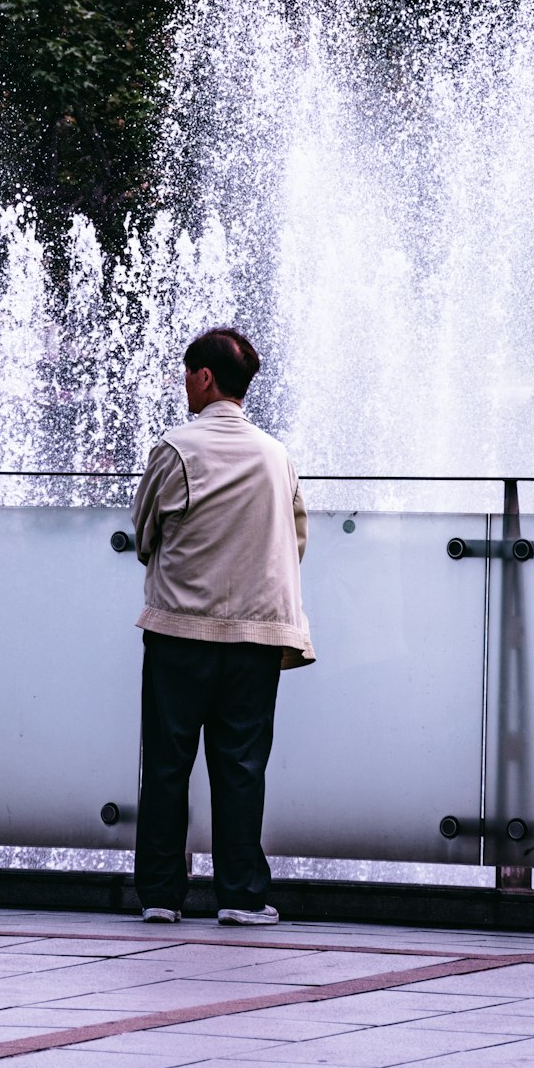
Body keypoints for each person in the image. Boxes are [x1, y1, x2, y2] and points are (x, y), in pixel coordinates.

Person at [132, 326, 313, 927]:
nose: (184, 383)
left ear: (204, 377)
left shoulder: (176, 448)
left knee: (166, 763)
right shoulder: (276, 454)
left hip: (180, 630)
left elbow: (144, 533)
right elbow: (297, 540)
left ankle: (161, 893)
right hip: (257, 636)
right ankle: (240, 895)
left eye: (188, 372)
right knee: (240, 766)